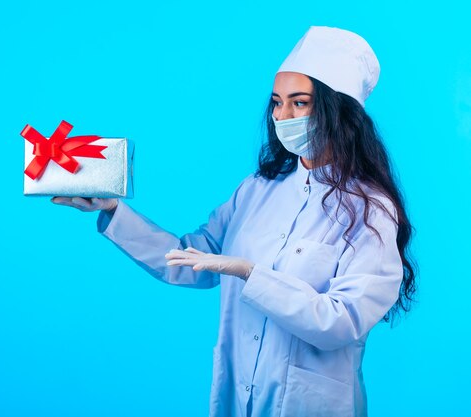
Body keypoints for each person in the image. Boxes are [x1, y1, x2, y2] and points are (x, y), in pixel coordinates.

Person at [51, 26, 417, 417]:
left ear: (338, 110)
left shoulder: (371, 211)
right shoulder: (258, 189)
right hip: (239, 396)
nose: (282, 116)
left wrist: (249, 272)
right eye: (277, 102)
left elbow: (341, 322)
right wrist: (112, 211)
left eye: (300, 103)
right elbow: (189, 258)